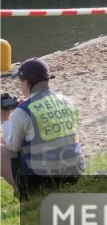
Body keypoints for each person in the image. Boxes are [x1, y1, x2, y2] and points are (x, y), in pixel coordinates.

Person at [1, 59, 84, 199]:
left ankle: (25, 192)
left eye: (20, 82)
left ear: (27, 83)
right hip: (73, 174)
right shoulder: (68, 101)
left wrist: (4, 120)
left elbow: (14, 147)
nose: (20, 87)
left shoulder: (23, 111)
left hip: (45, 181)